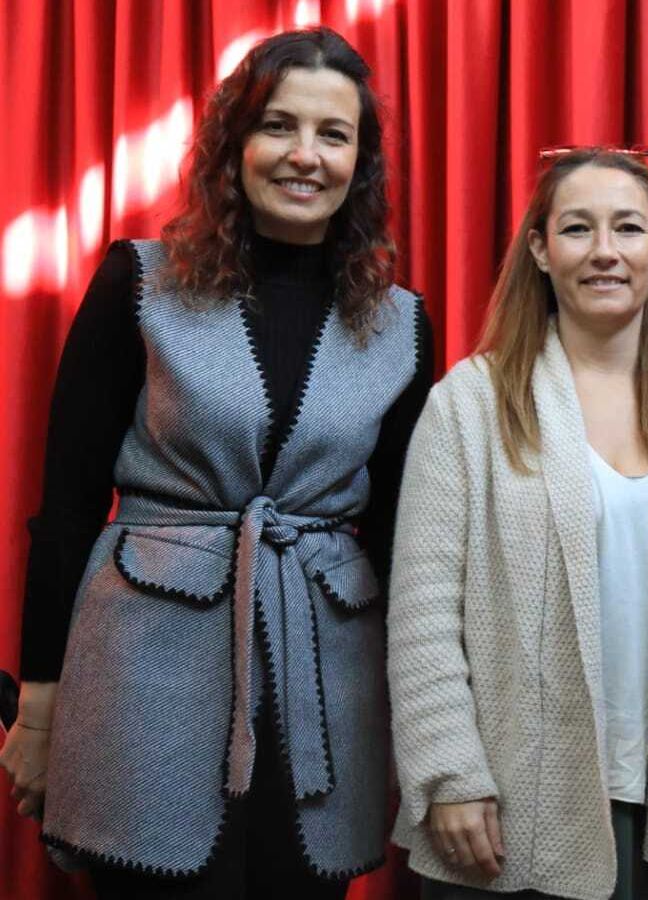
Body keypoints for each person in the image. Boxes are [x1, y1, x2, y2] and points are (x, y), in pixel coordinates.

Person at [0, 26, 432, 897]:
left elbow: (401, 537)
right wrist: (40, 703)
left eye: (333, 134)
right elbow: (70, 505)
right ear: (233, 143)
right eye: (278, 126)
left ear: (362, 162)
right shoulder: (138, 282)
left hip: (327, 688)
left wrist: (428, 728)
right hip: (141, 673)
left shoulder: (402, 326)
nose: (304, 155)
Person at [388, 147, 648, 900]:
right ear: (540, 249)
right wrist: (449, 773)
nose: (605, 252)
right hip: (506, 809)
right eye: (577, 229)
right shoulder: (471, 403)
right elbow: (422, 613)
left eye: (628, 229)